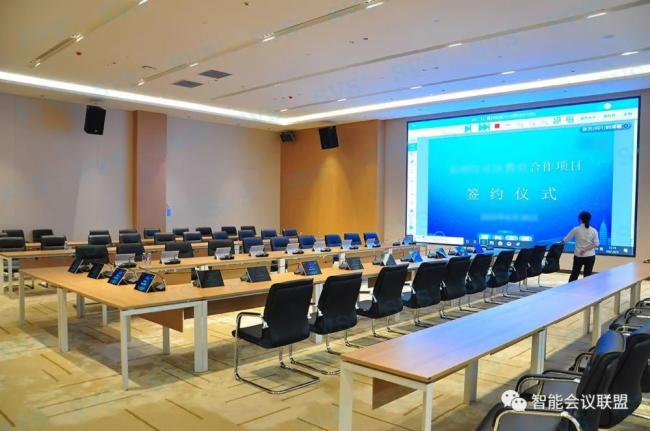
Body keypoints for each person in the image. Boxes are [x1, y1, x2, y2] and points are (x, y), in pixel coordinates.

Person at [562, 211, 599, 282]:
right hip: (590, 256)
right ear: (589, 219)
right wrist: (585, 249)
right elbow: (596, 243)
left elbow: (565, 240)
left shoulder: (576, 229)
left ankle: (569, 289)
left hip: (578, 256)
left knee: (574, 275)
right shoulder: (594, 230)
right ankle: (586, 289)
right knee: (587, 277)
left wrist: (560, 243)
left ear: (580, 219)